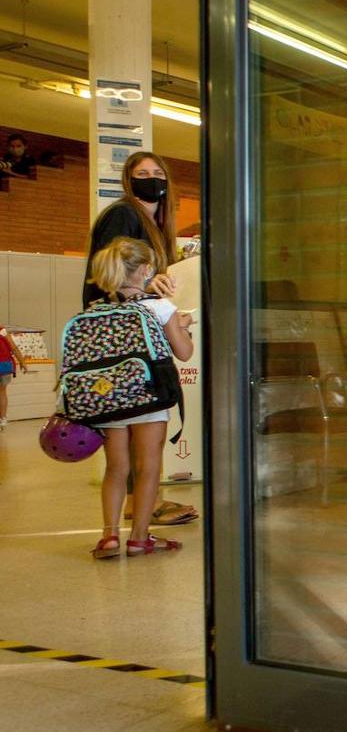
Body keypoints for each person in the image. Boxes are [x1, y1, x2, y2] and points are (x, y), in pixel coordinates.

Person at [83, 151, 197, 526]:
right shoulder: (124, 215)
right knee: (143, 432)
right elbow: (109, 273)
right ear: (128, 180)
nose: (151, 179)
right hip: (128, 343)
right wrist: (149, 289)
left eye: (157, 172)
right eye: (142, 173)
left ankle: (130, 515)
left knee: (124, 438)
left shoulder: (152, 223)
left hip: (126, 339)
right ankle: (143, 510)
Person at [84, 238, 195, 560]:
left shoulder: (96, 310)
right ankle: (139, 538)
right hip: (149, 400)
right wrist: (183, 327)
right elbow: (184, 352)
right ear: (146, 270)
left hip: (109, 400)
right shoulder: (160, 307)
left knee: (116, 469)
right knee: (148, 469)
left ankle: (109, 537)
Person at [0, 324, 29, 430]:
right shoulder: (2, 331)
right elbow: (14, 348)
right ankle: (2, 419)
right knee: (2, 392)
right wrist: (22, 362)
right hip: (4, 366)